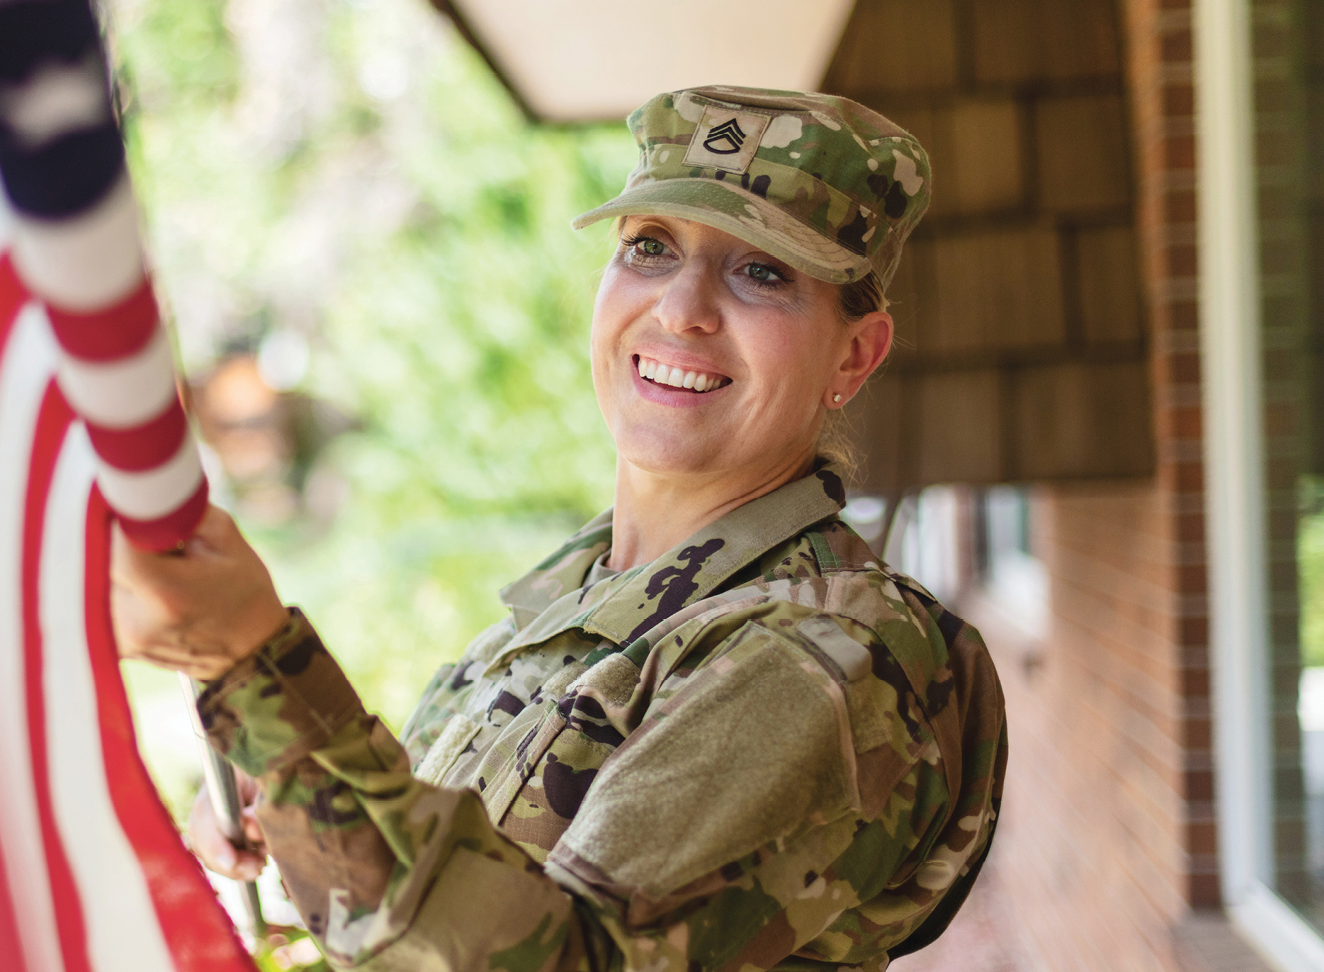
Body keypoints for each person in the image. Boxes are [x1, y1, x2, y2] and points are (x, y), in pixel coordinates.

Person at [111, 85, 1007, 972]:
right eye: (651, 249)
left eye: (761, 271)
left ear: (854, 354)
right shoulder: (563, 612)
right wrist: (297, 811)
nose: (681, 308)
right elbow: (452, 910)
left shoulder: (829, 649)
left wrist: (261, 676)